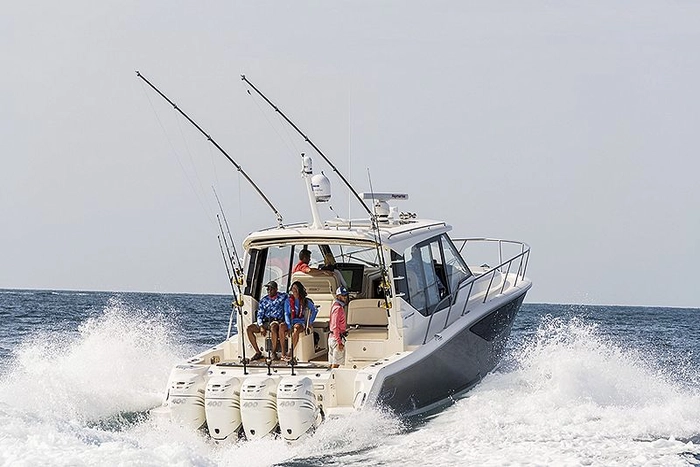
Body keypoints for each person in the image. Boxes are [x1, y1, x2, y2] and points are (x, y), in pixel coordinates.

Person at [246, 280, 288, 361]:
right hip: (265, 322)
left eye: (271, 289)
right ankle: (258, 352)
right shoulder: (264, 300)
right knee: (249, 329)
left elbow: (294, 296)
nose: (269, 291)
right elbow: (259, 315)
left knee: (273, 327)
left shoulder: (283, 297)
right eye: (267, 289)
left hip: (276, 321)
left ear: (276, 289)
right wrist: (261, 326)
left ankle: (273, 352)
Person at [283, 280, 318, 362]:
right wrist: (288, 326)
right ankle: (283, 353)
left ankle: (291, 351)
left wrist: (309, 322)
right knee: (281, 327)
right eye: (293, 288)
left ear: (299, 290)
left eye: (295, 288)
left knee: (296, 328)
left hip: (300, 322)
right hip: (291, 322)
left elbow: (315, 310)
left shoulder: (305, 301)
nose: (294, 290)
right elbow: (286, 314)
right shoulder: (288, 301)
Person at [328, 285, 349, 368]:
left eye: (345, 295)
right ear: (338, 296)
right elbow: (335, 326)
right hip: (336, 339)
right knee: (335, 365)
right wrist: (339, 342)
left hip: (332, 337)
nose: (345, 297)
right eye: (343, 296)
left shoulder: (335, 306)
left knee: (332, 363)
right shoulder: (338, 308)